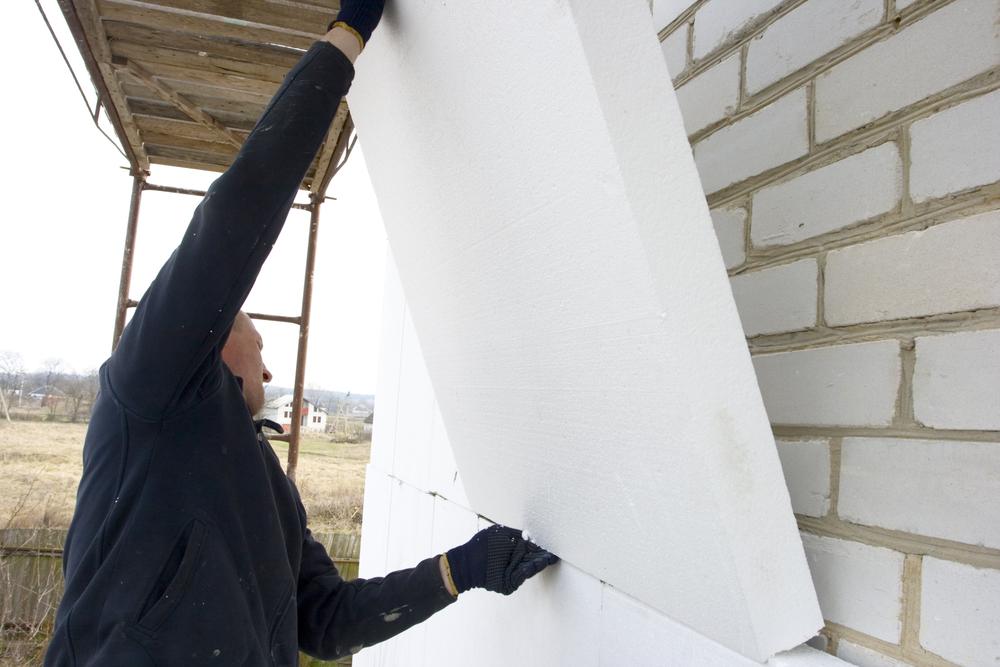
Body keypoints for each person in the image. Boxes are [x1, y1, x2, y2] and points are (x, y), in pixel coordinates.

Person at [44, 2, 558, 664]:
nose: (267, 370)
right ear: (209, 337)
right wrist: (345, 41)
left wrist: (460, 569)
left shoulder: (268, 486)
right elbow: (240, 211)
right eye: (258, 346)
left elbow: (326, 621)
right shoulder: (148, 388)